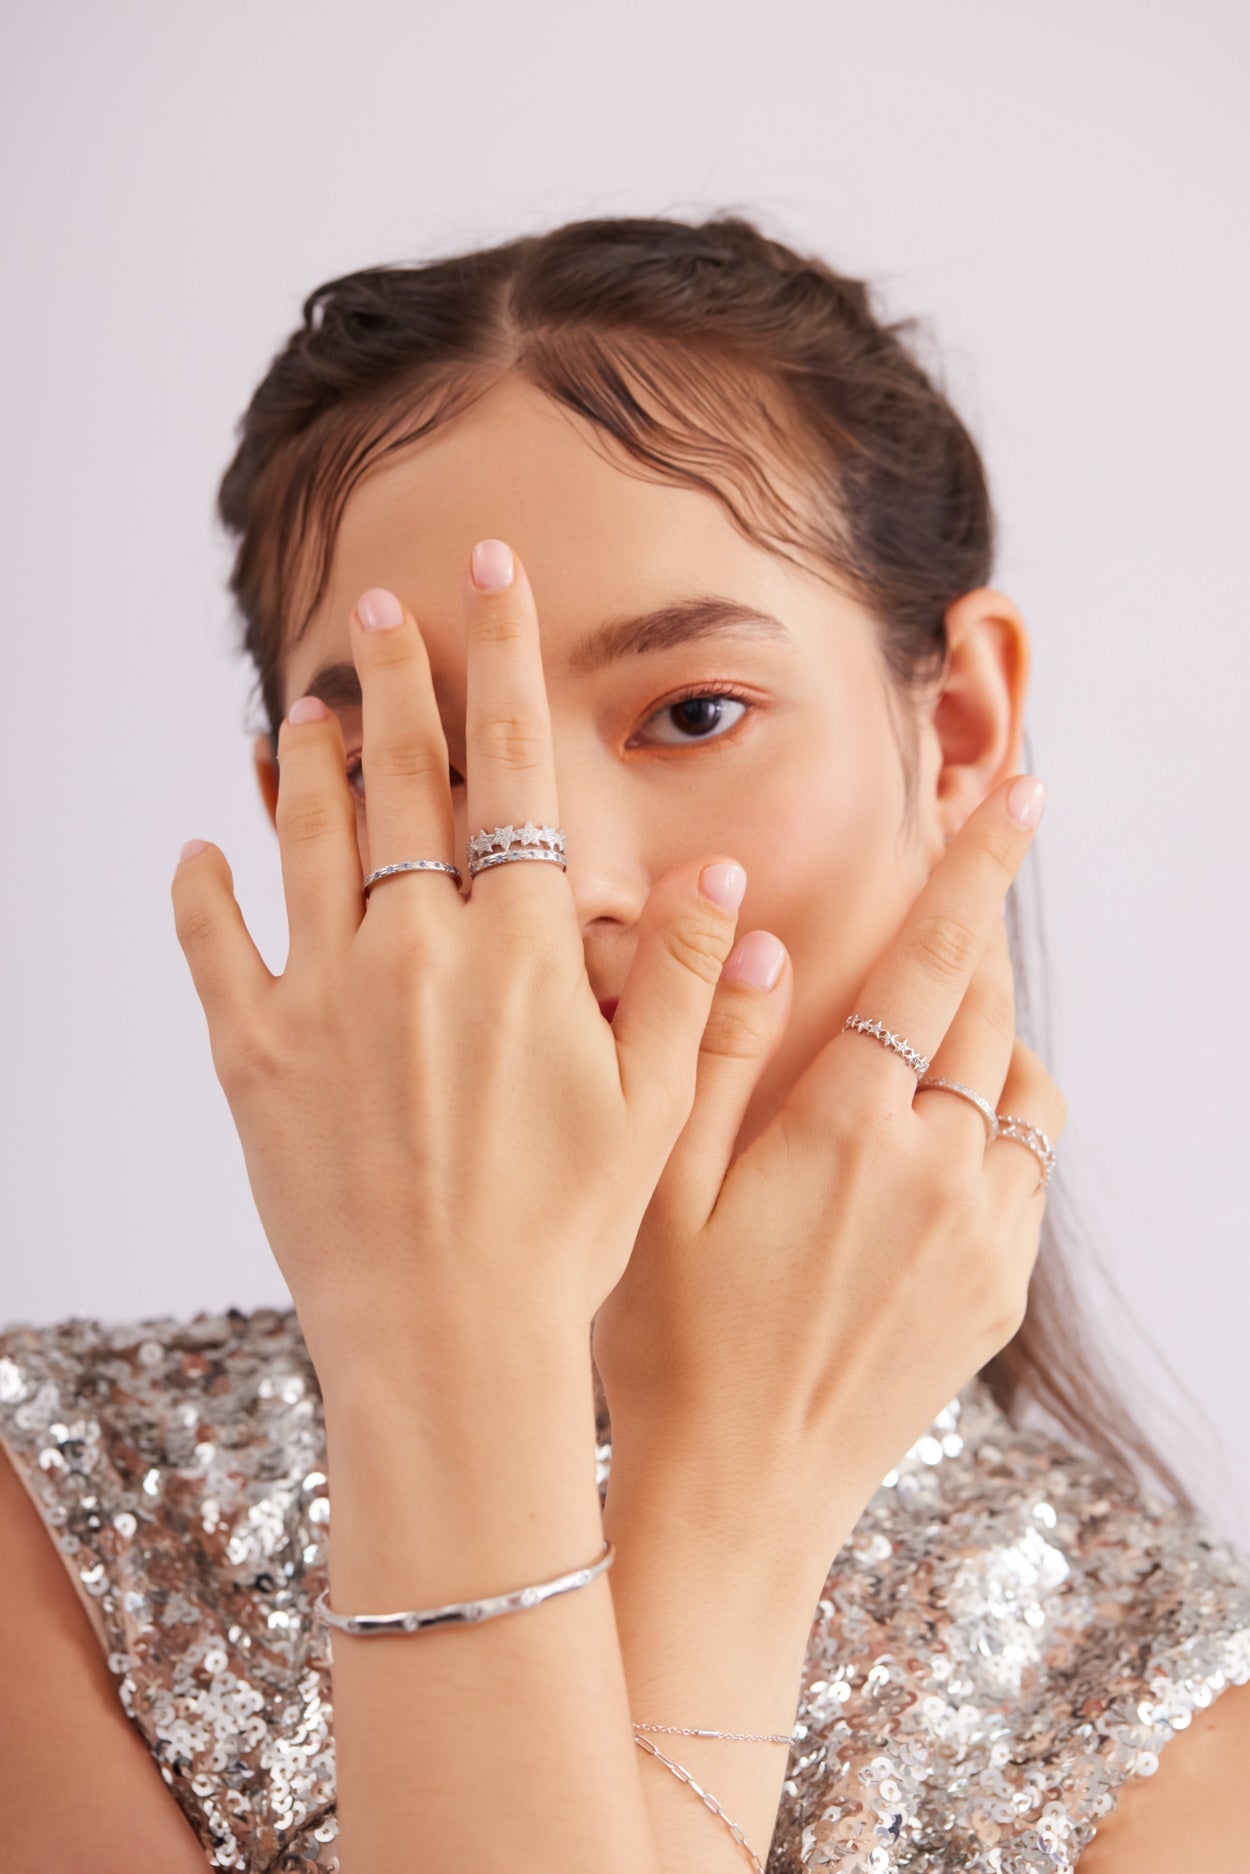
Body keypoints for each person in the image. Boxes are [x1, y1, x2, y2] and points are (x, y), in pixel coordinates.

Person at [1, 212, 1247, 1874]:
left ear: (955, 725)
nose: (555, 878)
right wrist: (470, 1358)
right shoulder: (59, 1545)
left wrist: (720, 1497)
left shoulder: (1167, 1724)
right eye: (417, 759)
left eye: (691, 712)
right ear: (306, 817)